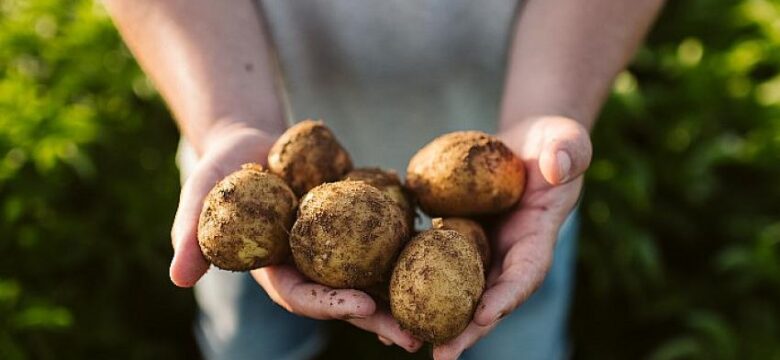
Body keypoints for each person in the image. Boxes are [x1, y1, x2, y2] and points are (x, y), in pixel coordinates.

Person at [104, 1, 664, 359]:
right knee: (252, 342)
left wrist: (550, 103)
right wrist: (227, 118)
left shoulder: (495, 201)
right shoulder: (271, 193)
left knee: (516, 326)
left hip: (521, 187)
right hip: (248, 135)